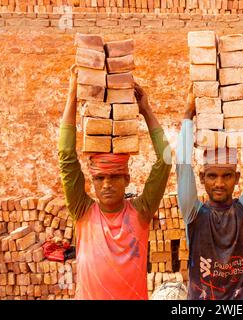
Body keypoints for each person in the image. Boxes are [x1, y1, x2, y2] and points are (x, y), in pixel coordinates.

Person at [58, 65, 172, 299]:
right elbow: (66, 156)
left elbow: (166, 159)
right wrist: (71, 95)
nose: (106, 184)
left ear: (126, 178)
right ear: (93, 180)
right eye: (100, 178)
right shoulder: (82, 211)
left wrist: (146, 111)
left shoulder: (141, 211)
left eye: (113, 177)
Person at [176, 75, 243, 300]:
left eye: (226, 176)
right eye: (212, 176)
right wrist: (188, 115)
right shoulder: (194, 214)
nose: (218, 183)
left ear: (237, 178)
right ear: (202, 177)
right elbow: (182, 164)